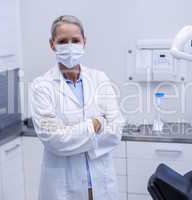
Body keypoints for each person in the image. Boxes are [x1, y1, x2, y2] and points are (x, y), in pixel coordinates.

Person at [31, 15, 125, 200]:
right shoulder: (41, 86)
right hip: (63, 188)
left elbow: (116, 130)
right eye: (63, 41)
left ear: (84, 42)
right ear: (52, 45)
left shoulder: (100, 79)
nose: (70, 46)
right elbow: (55, 140)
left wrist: (72, 135)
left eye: (75, 40)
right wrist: (96, 124)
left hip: (101, 182)